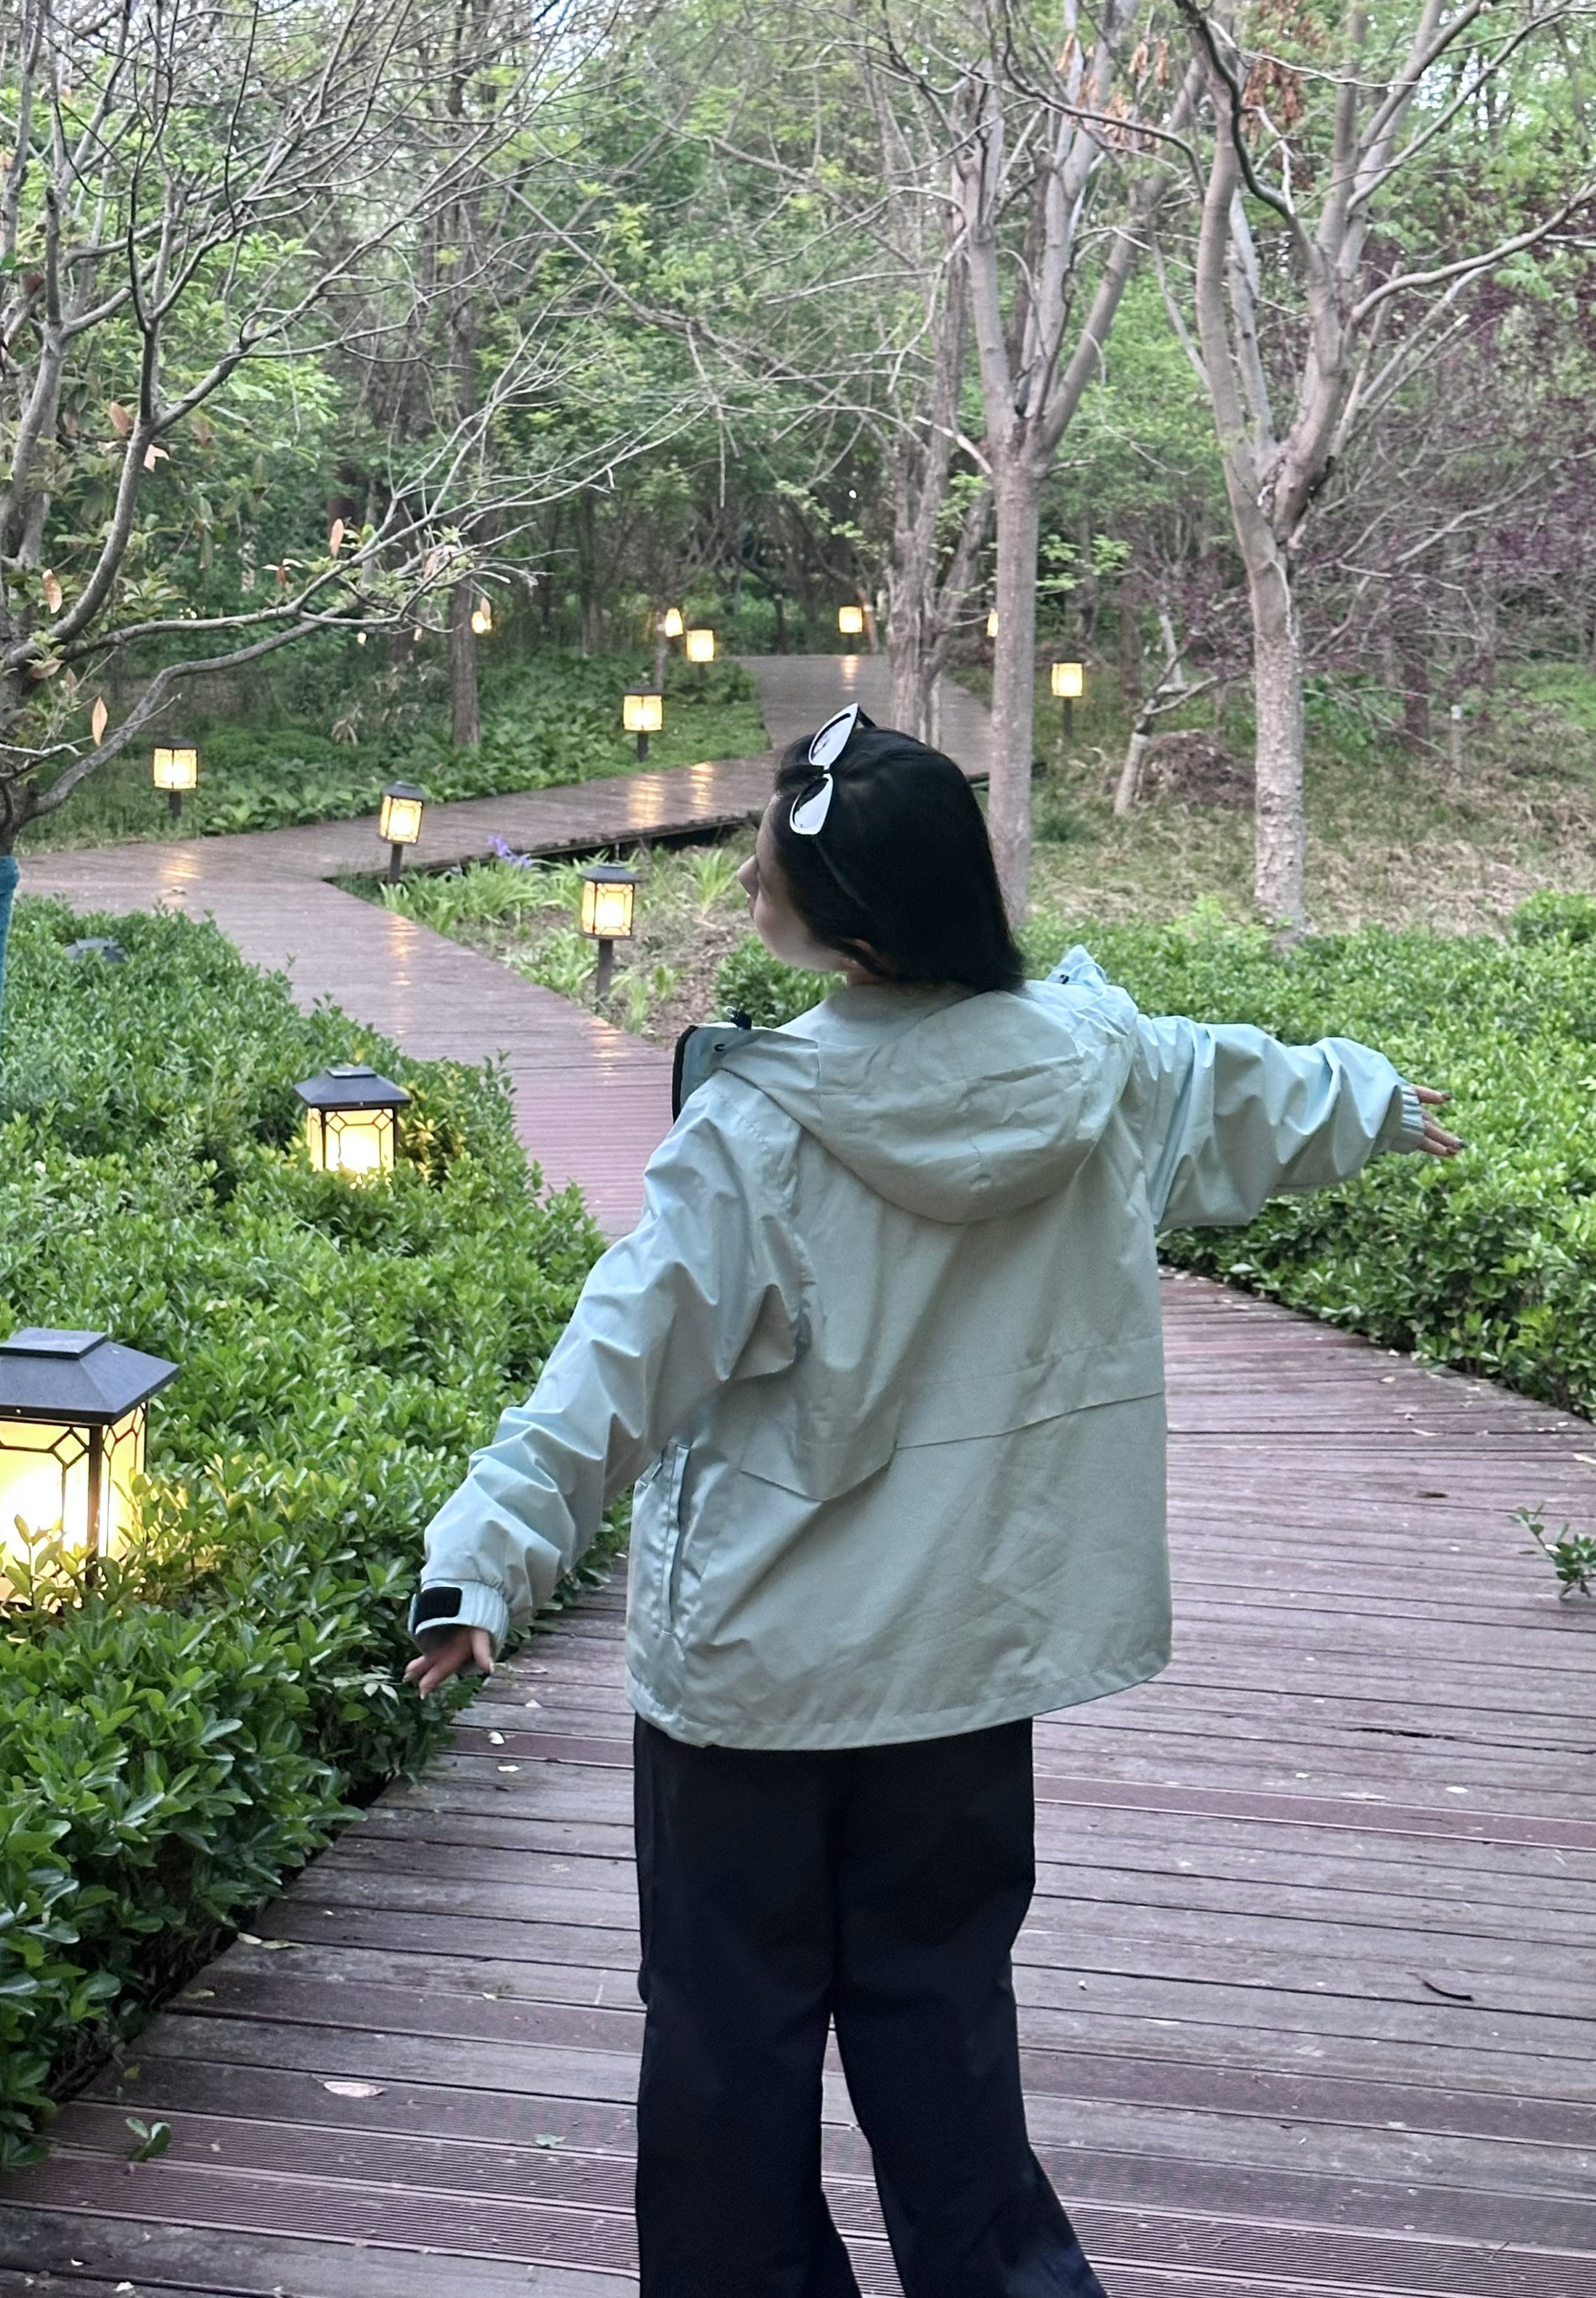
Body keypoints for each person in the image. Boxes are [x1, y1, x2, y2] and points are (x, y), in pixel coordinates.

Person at [406, 704, 1460, 2298]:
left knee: (728, 2057)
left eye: (771, 850)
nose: (745, 866)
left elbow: (615, 1364)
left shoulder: (758, 1133)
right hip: (960, 1674)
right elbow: (1242, 1089)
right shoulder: (1098, 1068)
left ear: (856, 926)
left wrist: (479, 1558)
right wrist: (1372, 1096)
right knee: (944, 2031)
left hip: (753, 1691)